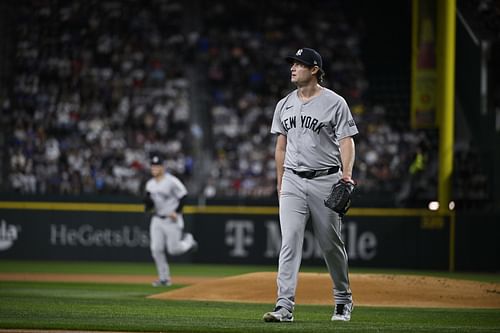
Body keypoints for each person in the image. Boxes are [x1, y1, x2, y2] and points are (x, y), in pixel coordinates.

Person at [263, 48, 358, 322]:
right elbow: (281, 146)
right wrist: (280, 180)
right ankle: (284, 306)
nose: (293, 67)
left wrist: (347, 175)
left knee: (330, 244)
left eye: (299, 64)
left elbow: (346, 140)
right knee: (290, 241)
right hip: (292, 179)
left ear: (314, 69)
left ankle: (343, 299)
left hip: (326, 179)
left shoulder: (335, 102)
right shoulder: (284, 104)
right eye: (292, 63)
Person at [144, 154, 198, 287]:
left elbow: (184, 196)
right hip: (157, 219)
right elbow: (148, 203)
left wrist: (177, 211)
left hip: (171, 219)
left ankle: (189, 241)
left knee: (174, 250)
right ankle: (164, 279)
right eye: (153, 166)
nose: (154, 168)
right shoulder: (149, 184)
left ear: (163, 167)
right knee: (156, 249)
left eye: (157, 166)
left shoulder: (171, 181)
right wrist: (147, 206)